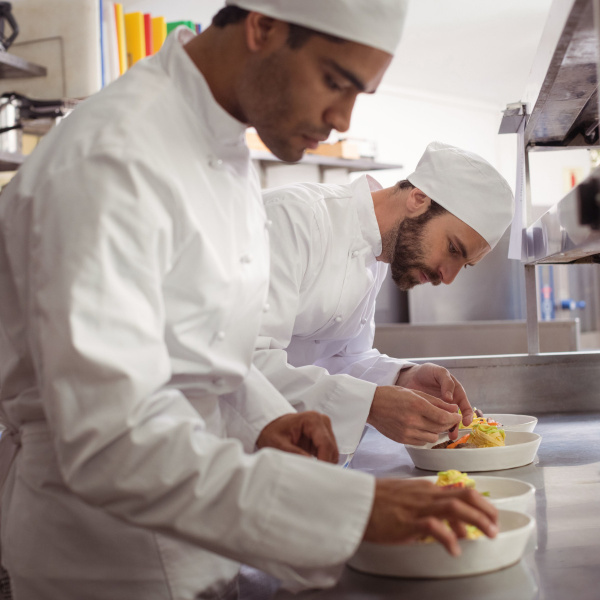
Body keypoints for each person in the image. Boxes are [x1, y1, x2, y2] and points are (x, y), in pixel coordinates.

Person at [0, 1, 498, 598]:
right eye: (336, 81)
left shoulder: (222, 154)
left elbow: (208, 353)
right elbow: (111, 438)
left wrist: (269, 420)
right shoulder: (112, 159)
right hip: (104, 558)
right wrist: (346, 508)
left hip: (203, 535)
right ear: (263, 26)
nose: (341, 119)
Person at [254, 141, 515, 455]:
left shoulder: (378, 255)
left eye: (465, 264)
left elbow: (341, 358)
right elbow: (244, 364)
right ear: (418, 199)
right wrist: (370, 405)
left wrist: (404, 377)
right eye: (453, 250)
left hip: (294, 458)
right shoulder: (293, 219)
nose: (448, 277)